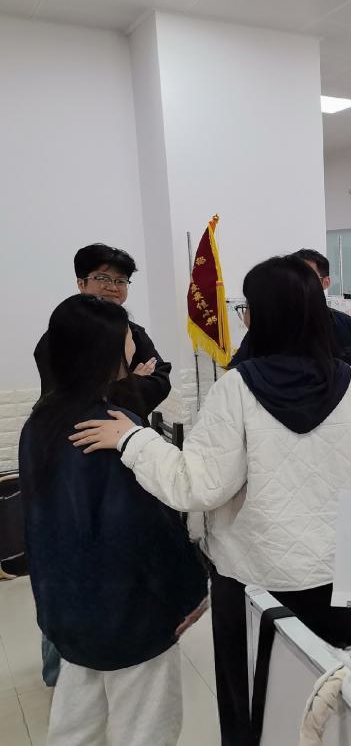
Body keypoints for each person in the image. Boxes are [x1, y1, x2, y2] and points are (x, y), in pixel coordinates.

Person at [70, 256, 351, 745]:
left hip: (251, 584)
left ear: (263, 315)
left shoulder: (236, 389)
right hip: (335, 579)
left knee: (252, 706)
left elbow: (198, 485)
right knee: (329, 701)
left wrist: (134, 440)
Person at [19, 294, 207, 746]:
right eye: (126, 337)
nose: (134, 345)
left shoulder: (39, 423)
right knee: (144, 729)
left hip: (67, 606)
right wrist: (190, 590)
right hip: (128, 612)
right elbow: (143, 528)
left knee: (75, 725)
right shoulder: (111, 429)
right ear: (101, 351)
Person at [34, 243, 171, 422]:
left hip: (128, 429)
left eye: (120, 281)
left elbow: (160, 379)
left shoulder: (135, 332)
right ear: (81, 283)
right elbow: (69, 397)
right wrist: (132, 381)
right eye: (102, 278)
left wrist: (111, 392)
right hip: (75, 430)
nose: (113, 287)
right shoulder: (61, 333)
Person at [230, 247, 351, 395]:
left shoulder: (348, 326)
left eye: (307, 277)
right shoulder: (270, 328)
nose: (298, 284)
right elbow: (238, 371)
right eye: (293, 279)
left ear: (325, 282)